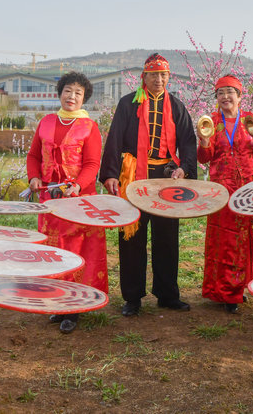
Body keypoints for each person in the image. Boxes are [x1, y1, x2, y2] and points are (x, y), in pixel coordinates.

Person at [100, 53, 197, 316]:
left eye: (163, 75)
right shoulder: (128, 104)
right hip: (133, 176)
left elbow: (188, 141)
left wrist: (184, 168)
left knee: (167, 237)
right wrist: (110, 174)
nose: (159, 79)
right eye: (153, 74)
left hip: (166, 177)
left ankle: (167, 294)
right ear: (144, 77)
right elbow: (114, 139)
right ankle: (132, 297)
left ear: (169, 77)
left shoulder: (176, 106)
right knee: (132, 236)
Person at [26, 72, 105, 334]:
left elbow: (93, 164)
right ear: (60, 92)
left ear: (85, 98)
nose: (72, 96)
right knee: (54, 250)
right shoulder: (46, 122)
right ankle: (58, 300)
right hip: (50, 200)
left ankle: (76, 306)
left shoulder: (90, 127)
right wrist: (34, 177)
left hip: (78, 200)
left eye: (78, 93)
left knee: (77, 251)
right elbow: (34, 156)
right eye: (68, 91)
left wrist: (78, 185)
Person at [196, 75, 253, 314]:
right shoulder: (210, 121)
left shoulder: (251, 120)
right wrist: (205, 143)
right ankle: (227, 292)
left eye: (230, 92)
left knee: (252, 236)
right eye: (220, 93)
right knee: (226, 240)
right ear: (216, 98)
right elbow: (204, 159)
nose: (225, 97)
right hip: (223, 189)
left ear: (240, 96)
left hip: (250, 188)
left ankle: (251, 284)